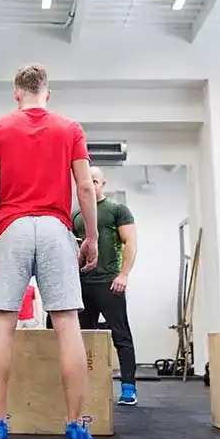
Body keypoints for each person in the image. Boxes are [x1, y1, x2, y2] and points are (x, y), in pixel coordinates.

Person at [0, 63, 99, 439]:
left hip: (12, 227)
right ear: (48, 93)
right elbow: (85, 186)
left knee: (2, 324)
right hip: (56, 228)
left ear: (16, 92)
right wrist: (91, 236)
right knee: (67, 323)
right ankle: (76, 428)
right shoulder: (70, 128)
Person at [71, 167, 139, 405]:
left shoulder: (117, 210)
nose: (92, 184)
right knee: (83, 338)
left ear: (103, 184)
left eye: (96, 181)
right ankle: (87, 388)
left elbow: (130, 242)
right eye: (87, 181)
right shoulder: (77, 216)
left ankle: (129, 388)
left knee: (121, 336)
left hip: (111, 284)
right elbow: (74, 251)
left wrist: (124, 275)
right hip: (84, 285)